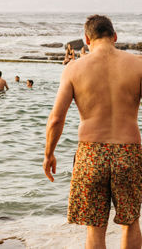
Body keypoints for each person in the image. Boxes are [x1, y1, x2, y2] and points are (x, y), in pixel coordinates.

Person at [43, 15, 142, 248]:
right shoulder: (138, 65)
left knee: (95, 229)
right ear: (115, 36)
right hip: (128, 151)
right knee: (131, 224)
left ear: (87, 39)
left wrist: (49, 154)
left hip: (90, 154)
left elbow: (56, 119)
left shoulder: (73, 69)